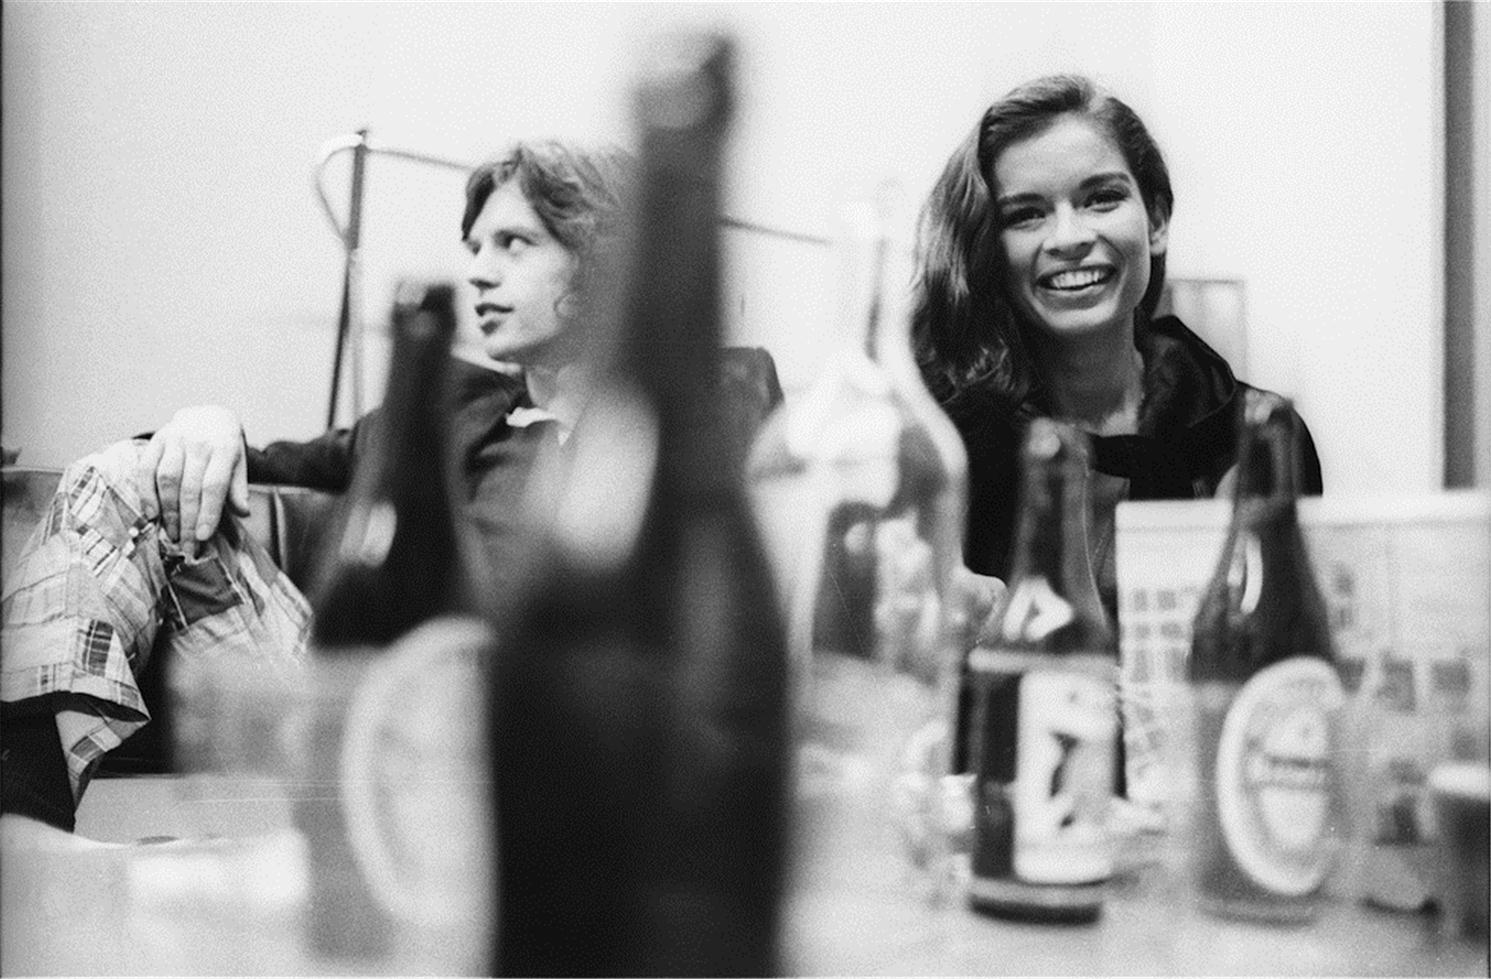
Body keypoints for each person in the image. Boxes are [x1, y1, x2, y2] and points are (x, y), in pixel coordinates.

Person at [1, 140, 782, 831]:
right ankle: (19, 817)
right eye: (474, 246)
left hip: (534, 750)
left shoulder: (688, 424)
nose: (478, 271)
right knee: (126, 478)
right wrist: (205, 423)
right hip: (363, 712)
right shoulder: (443, 403)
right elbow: (268, 465)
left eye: (514, 243)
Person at [912, 74, 1323, 614]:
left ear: (1155, 220)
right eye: (1026, 214)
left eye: (1101, 199)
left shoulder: (1258, 441)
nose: (1069, 238)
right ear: (990, 248)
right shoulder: (937, 447)